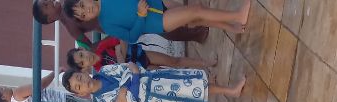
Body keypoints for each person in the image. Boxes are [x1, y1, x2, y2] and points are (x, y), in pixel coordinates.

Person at [62, 63, 246, 102]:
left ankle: (232, 91)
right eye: (78, 87)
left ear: (83, 72)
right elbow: (132, 99)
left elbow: (131, 66)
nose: (83, 83)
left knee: (197, 85)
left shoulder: (105, 70)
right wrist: (131, 81)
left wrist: (127, 86)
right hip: (156, 100)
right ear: (81, 94)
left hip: (157, 79)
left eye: (79, 78)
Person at [63, 0, 251, 43]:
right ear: (85, 20)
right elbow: (131, 37)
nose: (87, 10)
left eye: (82, 5)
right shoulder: (106, 25)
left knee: (197, 18)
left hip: (158, 2)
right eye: (83, 15)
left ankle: (232, 27)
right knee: (196, 10)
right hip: (158, 21)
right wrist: (141, 16)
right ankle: (238, 16)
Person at [33, 0, 210, 45]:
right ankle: (196, 34)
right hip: (119, 23)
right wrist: (113, 38)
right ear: (50, 19)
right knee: (160, 26)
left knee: (159, 7)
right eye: (46, 5)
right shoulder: (71, 28)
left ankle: (193, 16)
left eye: (46, 1)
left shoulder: (69, 3)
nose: (49, 1)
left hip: (117, 6)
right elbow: (89, 47)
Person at [66, 39, 212, 72]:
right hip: (142, 71)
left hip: (142, 55)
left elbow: (122, 41)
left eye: (82, 55)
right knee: (171, 74)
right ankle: (205, 78)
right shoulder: (101, 71)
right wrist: (119, 53)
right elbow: (122, 71)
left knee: (175, 61)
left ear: (82, 49)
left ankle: (206, 63)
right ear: (84, 68)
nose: (86, 59)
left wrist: (121, 59)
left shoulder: (102, 47)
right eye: (82, 63)